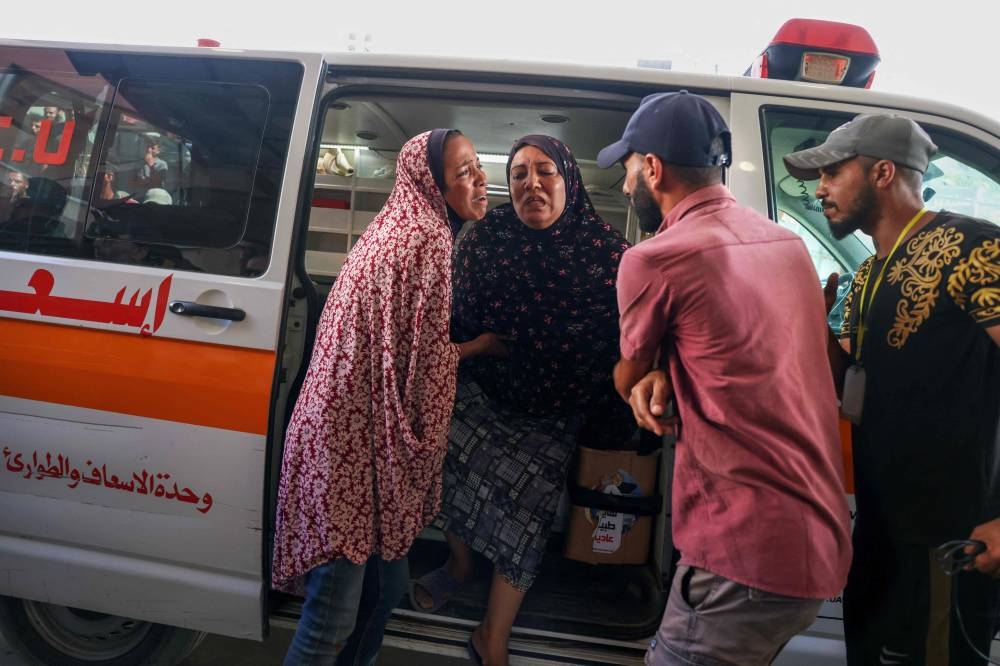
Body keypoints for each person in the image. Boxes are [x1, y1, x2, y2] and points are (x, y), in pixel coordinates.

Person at [598, 91, 852, 666]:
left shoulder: (655, 257)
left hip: (741, 558)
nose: (624, 184)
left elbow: (627, 381)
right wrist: (671, 369)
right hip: (819, 539)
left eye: (629, 168)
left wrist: (650, 376)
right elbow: (744, 354)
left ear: (654, 169)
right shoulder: (787, 245)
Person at [272, 129, 497, 666]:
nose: (480, 179)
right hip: (348, 452)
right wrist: (481, 347)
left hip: (348, 435)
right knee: (331, 617)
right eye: (463, 172)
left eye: (478, 165)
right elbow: (422, 366)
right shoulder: (429, 239)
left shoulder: (397, 220)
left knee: (386, 587)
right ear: (433, 185)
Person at [784, 113, 1000, 665]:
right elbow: (849, 382)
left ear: (882, 172)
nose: (821, 188)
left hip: (952, 538)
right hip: (880, 529)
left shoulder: (973, 248)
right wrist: (814, 325)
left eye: (832, 172)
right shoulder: (866, 274)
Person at [410, 134, 633, 666]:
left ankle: (493, 634)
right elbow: (451, 324)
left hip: (555, 410)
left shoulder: (609, 256)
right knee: (437, 445)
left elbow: (628, 343)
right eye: (518, 175)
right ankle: (460, 566)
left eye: (545, 172)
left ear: (569, 180)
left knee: (529, 498)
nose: (531, 184)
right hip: (486, 392)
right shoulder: (484, 240)